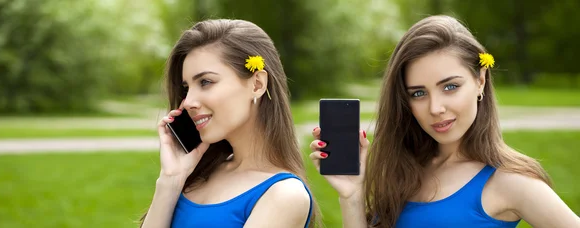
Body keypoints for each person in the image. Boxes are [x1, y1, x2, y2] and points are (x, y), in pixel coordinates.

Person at [309, 15, 580, 228]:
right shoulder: (402, 170)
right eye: (418, 93)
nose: (435, 108)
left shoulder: (512, 181)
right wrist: (352, 195)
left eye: (449, 87)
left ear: (480, 80)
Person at [139, 19, 319, 228]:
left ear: (257, 84)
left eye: (205, 82)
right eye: (187, 88)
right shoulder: (195, 175)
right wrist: (170, 179)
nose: (188, 102)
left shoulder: (285, 195)